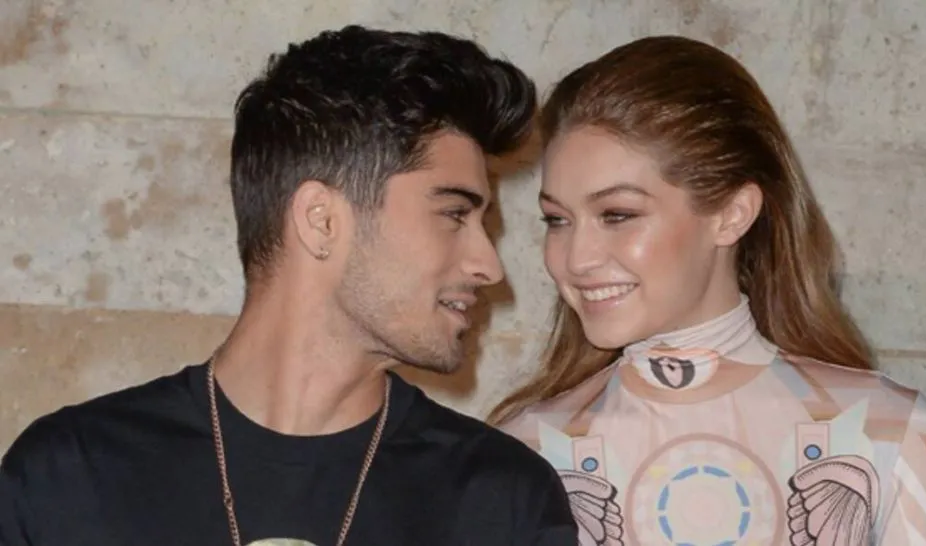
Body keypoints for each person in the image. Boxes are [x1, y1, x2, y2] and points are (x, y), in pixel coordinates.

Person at [0, 25, 578, 545]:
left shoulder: (502, 503)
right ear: (321, 220)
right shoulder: (66, 477)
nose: (488, 266)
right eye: (454, 214)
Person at [489, 36, 926, 546]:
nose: (575, 258)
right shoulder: (520, 454)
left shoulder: (890, 435)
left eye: (618, 215)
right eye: (557, 219)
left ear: (732, 214)